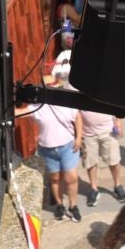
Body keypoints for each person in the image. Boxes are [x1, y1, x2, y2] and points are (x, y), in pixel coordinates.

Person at [26, 91, 83, 220]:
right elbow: (20, 112)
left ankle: (73, 206)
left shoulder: (66, 104)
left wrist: (79, 137)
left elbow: (78, 117)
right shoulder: (37, 107)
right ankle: (59, 205)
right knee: (55, 178)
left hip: (68, 146)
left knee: (71, 177)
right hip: (47, 149)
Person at [82, 104, 125, 205]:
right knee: (90, 162)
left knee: (114, 160)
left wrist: (118, 120)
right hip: (88, 133)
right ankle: (93, 188)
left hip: (108, 130)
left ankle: (118, 185)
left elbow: (116, 100)